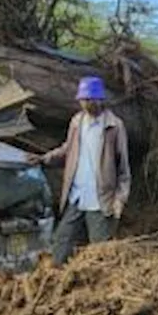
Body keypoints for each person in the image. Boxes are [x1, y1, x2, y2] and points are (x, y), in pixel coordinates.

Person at [29, 76, 131, 267]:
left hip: (101, 201)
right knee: (61, 243)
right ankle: (56, 283)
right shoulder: (77, 122)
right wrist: (45, 158)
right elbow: (68, 149)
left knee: (100, 253)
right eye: (83, 100)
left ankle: (101, 291)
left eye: (91, 100)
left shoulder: (114, 126)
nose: (86, 104)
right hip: (76, 197)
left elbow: (123, 169)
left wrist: (119, 200)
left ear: (101, 100)